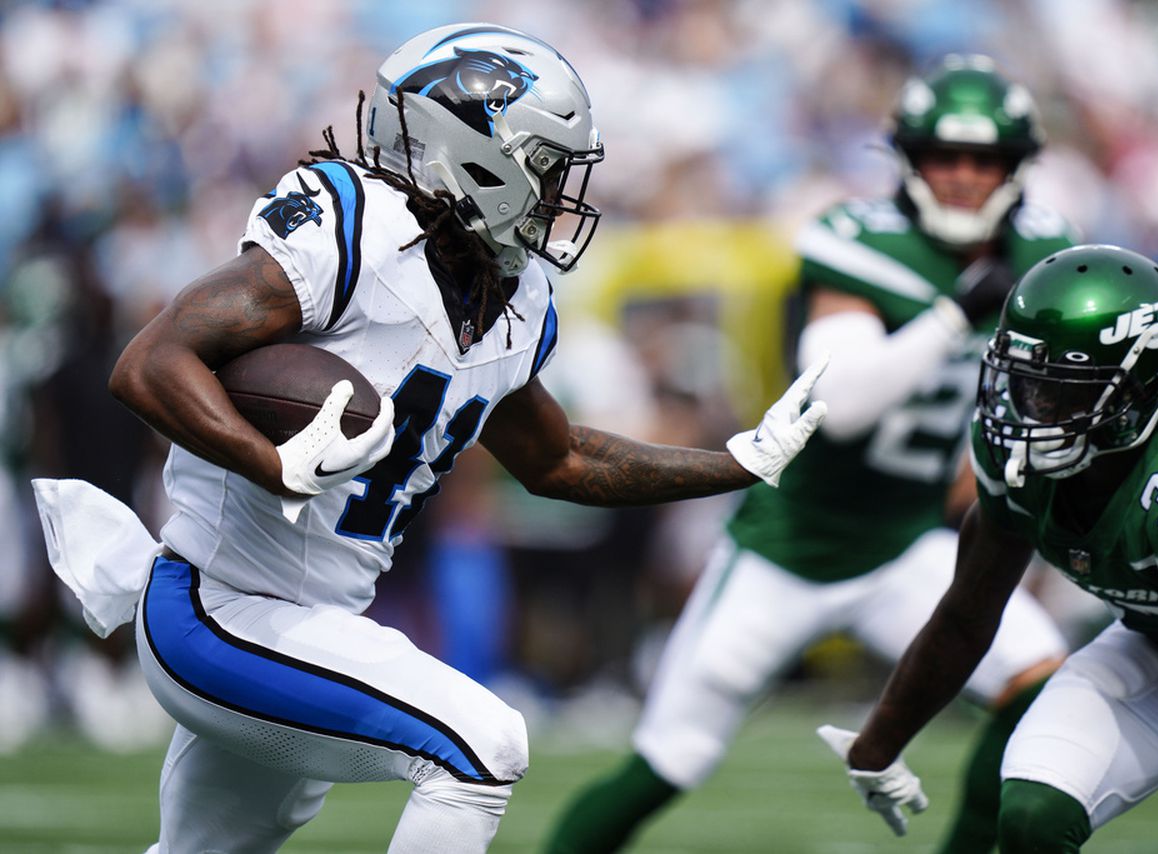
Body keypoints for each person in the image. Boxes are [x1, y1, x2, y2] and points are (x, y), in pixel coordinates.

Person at [29, 23, 828, 854]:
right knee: (482, 748)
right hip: (219, 610)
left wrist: (739, 460)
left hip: (313, 624)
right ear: (476, 156)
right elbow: (150, 361)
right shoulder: (355, 229)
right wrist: (270, 461)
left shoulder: (514, 301)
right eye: (547, 169)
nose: (561, 197)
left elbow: (559, 458)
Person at [543, 54, 1071, 854]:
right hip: (788, 551)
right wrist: (948, 317)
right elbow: (844, 405)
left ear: (1017, 167)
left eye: (985, 159)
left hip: (904, 544)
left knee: (1037, 683)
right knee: (668, 760)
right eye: (944, 157)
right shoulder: (857, 239)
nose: (964, 176)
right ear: (908, 160)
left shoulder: (1046, 250)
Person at [824, 243, 1158, 852]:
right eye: (1025, 380)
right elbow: (968, 612)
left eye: (1063, 389)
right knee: (1034, 812)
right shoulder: (1021, 456)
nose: (1032, 407)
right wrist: (877, 744)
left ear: (1138, 390)